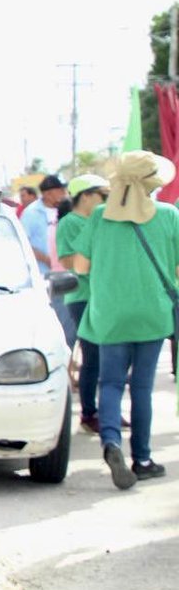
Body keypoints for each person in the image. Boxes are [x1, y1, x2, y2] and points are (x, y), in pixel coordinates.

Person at [73, 151, 178, 489]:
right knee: (143, 387)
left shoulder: (100, 216)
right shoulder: (168, 215)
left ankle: (111, 441)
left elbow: (80, 267)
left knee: (111, 382)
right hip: (153, 314)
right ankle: (143, 459)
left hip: (109, 315)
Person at [55, 174, 110, 434]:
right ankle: (89, 413)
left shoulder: (99, 220)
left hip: (104, 297)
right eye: (103, 195)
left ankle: (103, 412)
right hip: (81, 296)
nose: (106, 201)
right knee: (92, 356)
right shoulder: (69, 223)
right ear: (85, 195)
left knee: (105, 357)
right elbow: (66, 261)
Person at [21, 174, 75, 349]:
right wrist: (48, 259)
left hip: (65, 273)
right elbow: (25, 243)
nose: (63, 193)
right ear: (48, 193)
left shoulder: (66, 209)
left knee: (67, 320)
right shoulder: (31, 213)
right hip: (43, 273)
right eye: (59, 190)